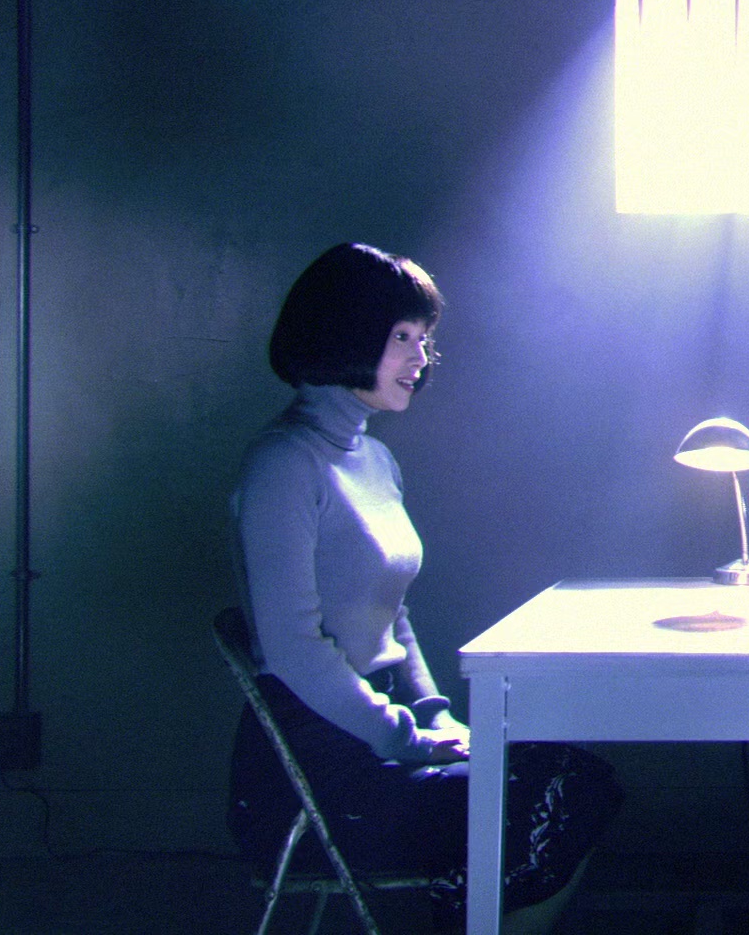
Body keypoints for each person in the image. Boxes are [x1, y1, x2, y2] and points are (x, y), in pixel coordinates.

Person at [226, 242, 620, 933]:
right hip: (317, 770)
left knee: (580, 777)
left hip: (383, 735)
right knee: (555, 791)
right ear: (346, 334)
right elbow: (292, 650)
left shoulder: (375, 459)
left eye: (425, 339)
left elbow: (394, 617)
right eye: (402, 337)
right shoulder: (283, 465)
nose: (421, 358)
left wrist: (436, 718)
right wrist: (403, 737)